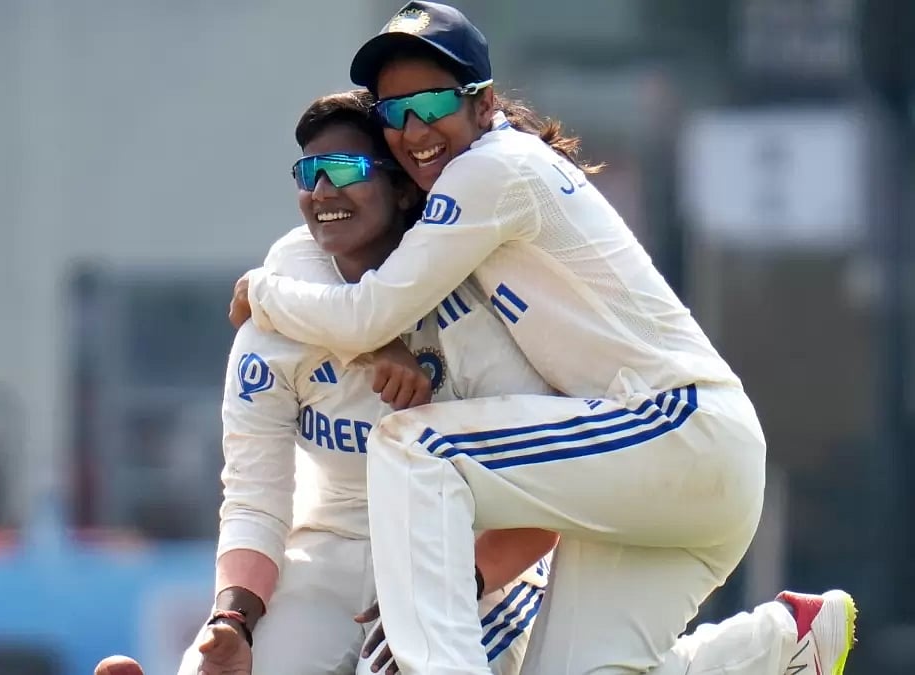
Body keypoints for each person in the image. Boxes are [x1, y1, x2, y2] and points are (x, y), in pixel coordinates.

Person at [228, 3, 858, 675]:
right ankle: (785, 641)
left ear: (484, 102)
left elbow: (364, 313)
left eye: (434, 100)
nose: (413, 129)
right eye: (393, 112)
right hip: (662, 476)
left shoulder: (490, 170)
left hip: (675, 427)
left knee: (416, 448)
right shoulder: (464, 194)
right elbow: (335, 263)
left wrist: (261, 292)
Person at [175, 89, 558, 675]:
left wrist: (448, 589)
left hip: (463, 556)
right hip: (324, 549)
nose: (322, 191)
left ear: (403, 187)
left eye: (346, 169)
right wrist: (232, 620)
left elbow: (546, 498)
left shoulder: (474, 317)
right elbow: (255, 499)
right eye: (309, 173)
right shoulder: (274, 312)